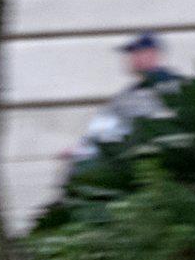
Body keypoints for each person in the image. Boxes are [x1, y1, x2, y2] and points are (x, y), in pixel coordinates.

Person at [67, 32, 186, 168]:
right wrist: (82, 150)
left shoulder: (176, 87)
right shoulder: (127, 95)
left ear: (152, 54)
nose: (129, 58)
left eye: (134, 52)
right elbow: (103, 128)